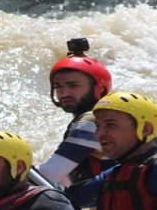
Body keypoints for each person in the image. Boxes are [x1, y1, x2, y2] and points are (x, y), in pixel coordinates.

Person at [35, 38, 114, 188]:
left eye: (73, 86)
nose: (64, 93)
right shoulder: (107, 115)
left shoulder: (92, 122)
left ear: (100, 89)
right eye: (58, 87)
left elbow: (48, 174)